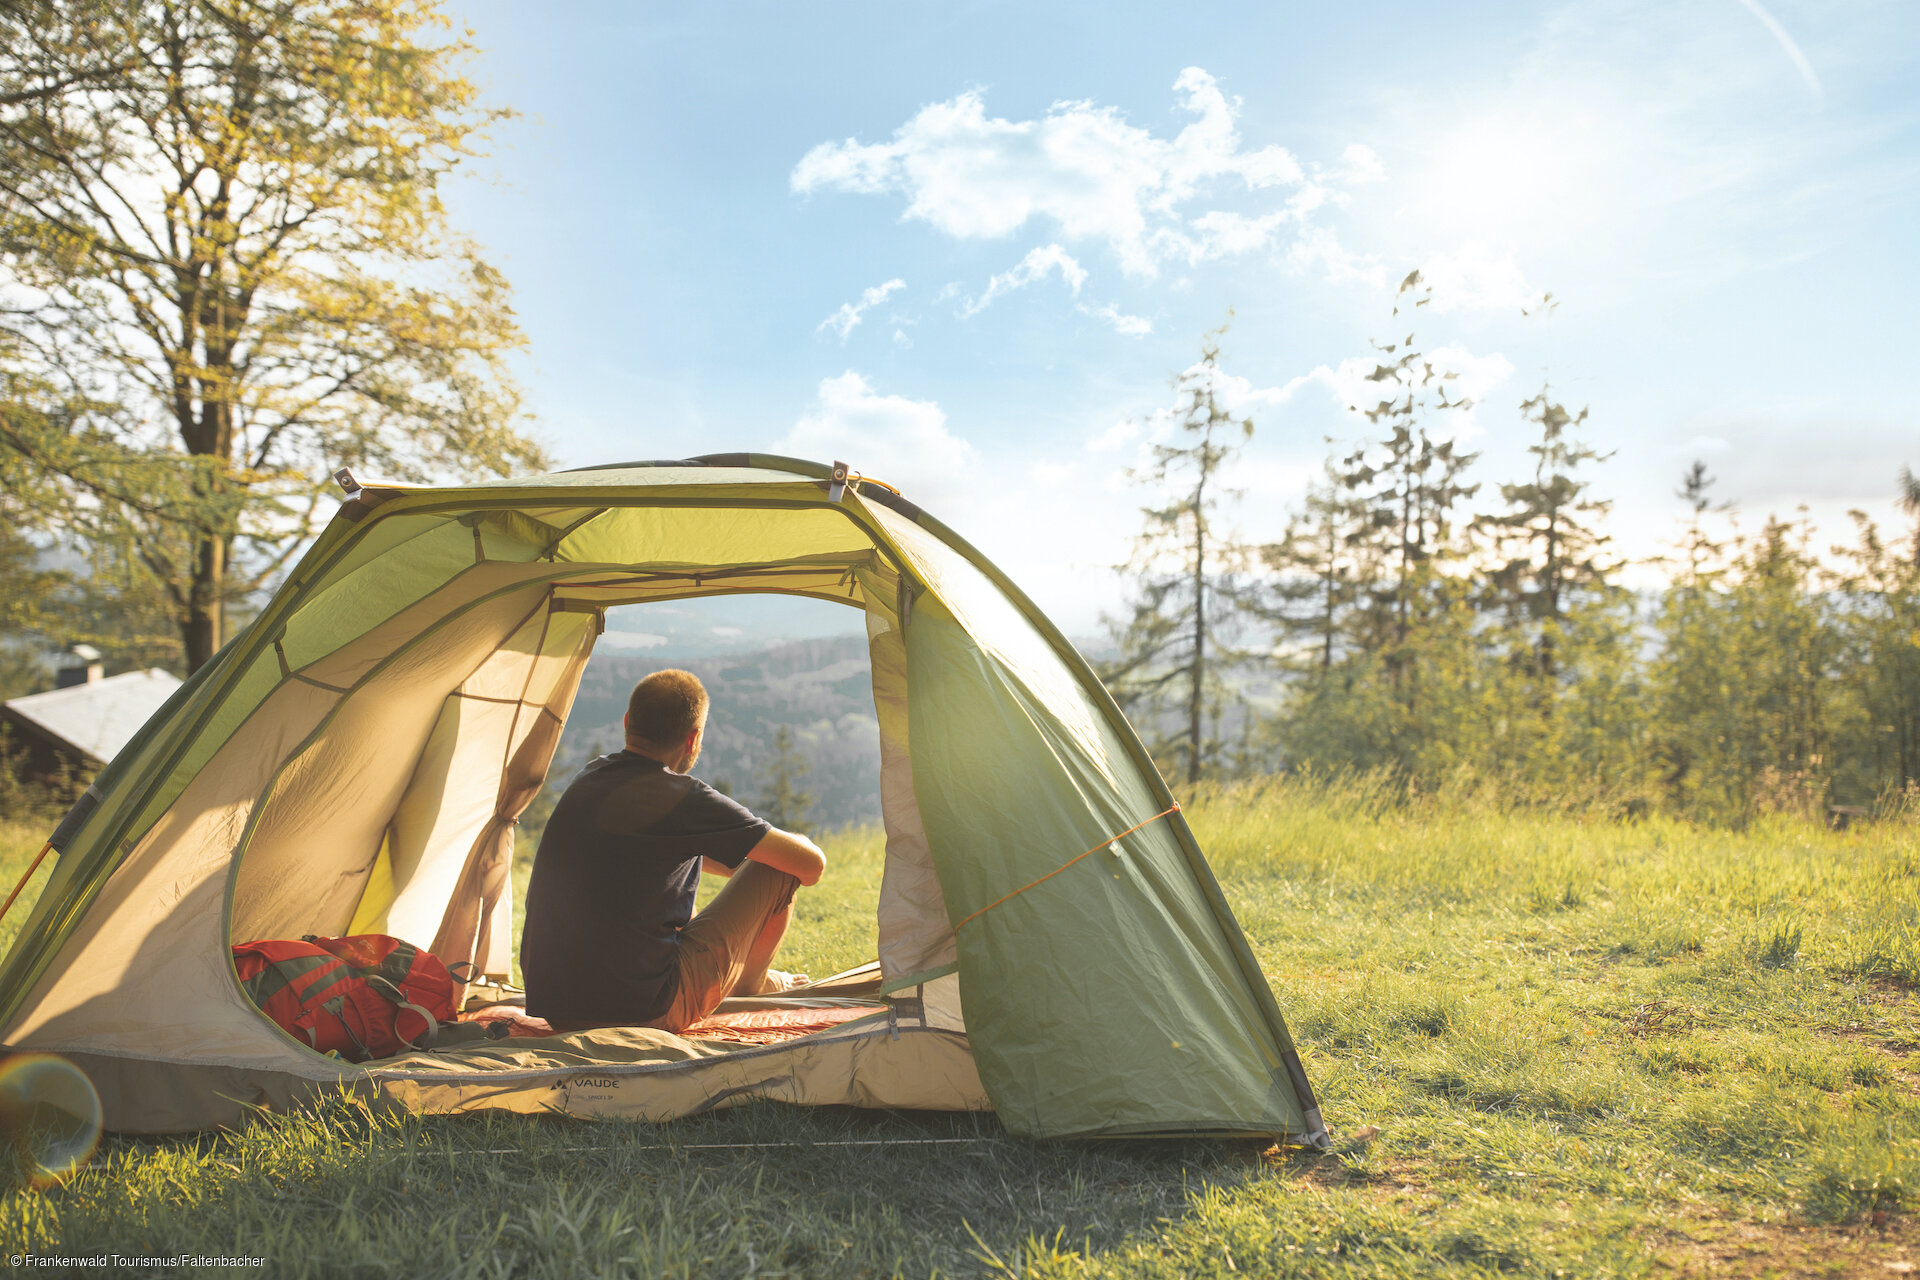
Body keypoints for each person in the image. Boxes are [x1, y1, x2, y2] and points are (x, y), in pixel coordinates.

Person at [520, 669, 826, 1033]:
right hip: (647, 1011)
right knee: (781, 868)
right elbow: (810, 866)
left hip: (558, 1009)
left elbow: (658, 851)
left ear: (628, 722)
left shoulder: (589, 777)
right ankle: (750, 984)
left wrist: (738, 858)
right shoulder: (684, 797)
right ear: (693, 738)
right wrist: (785, 849)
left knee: (735, 861)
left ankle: (743, 979)